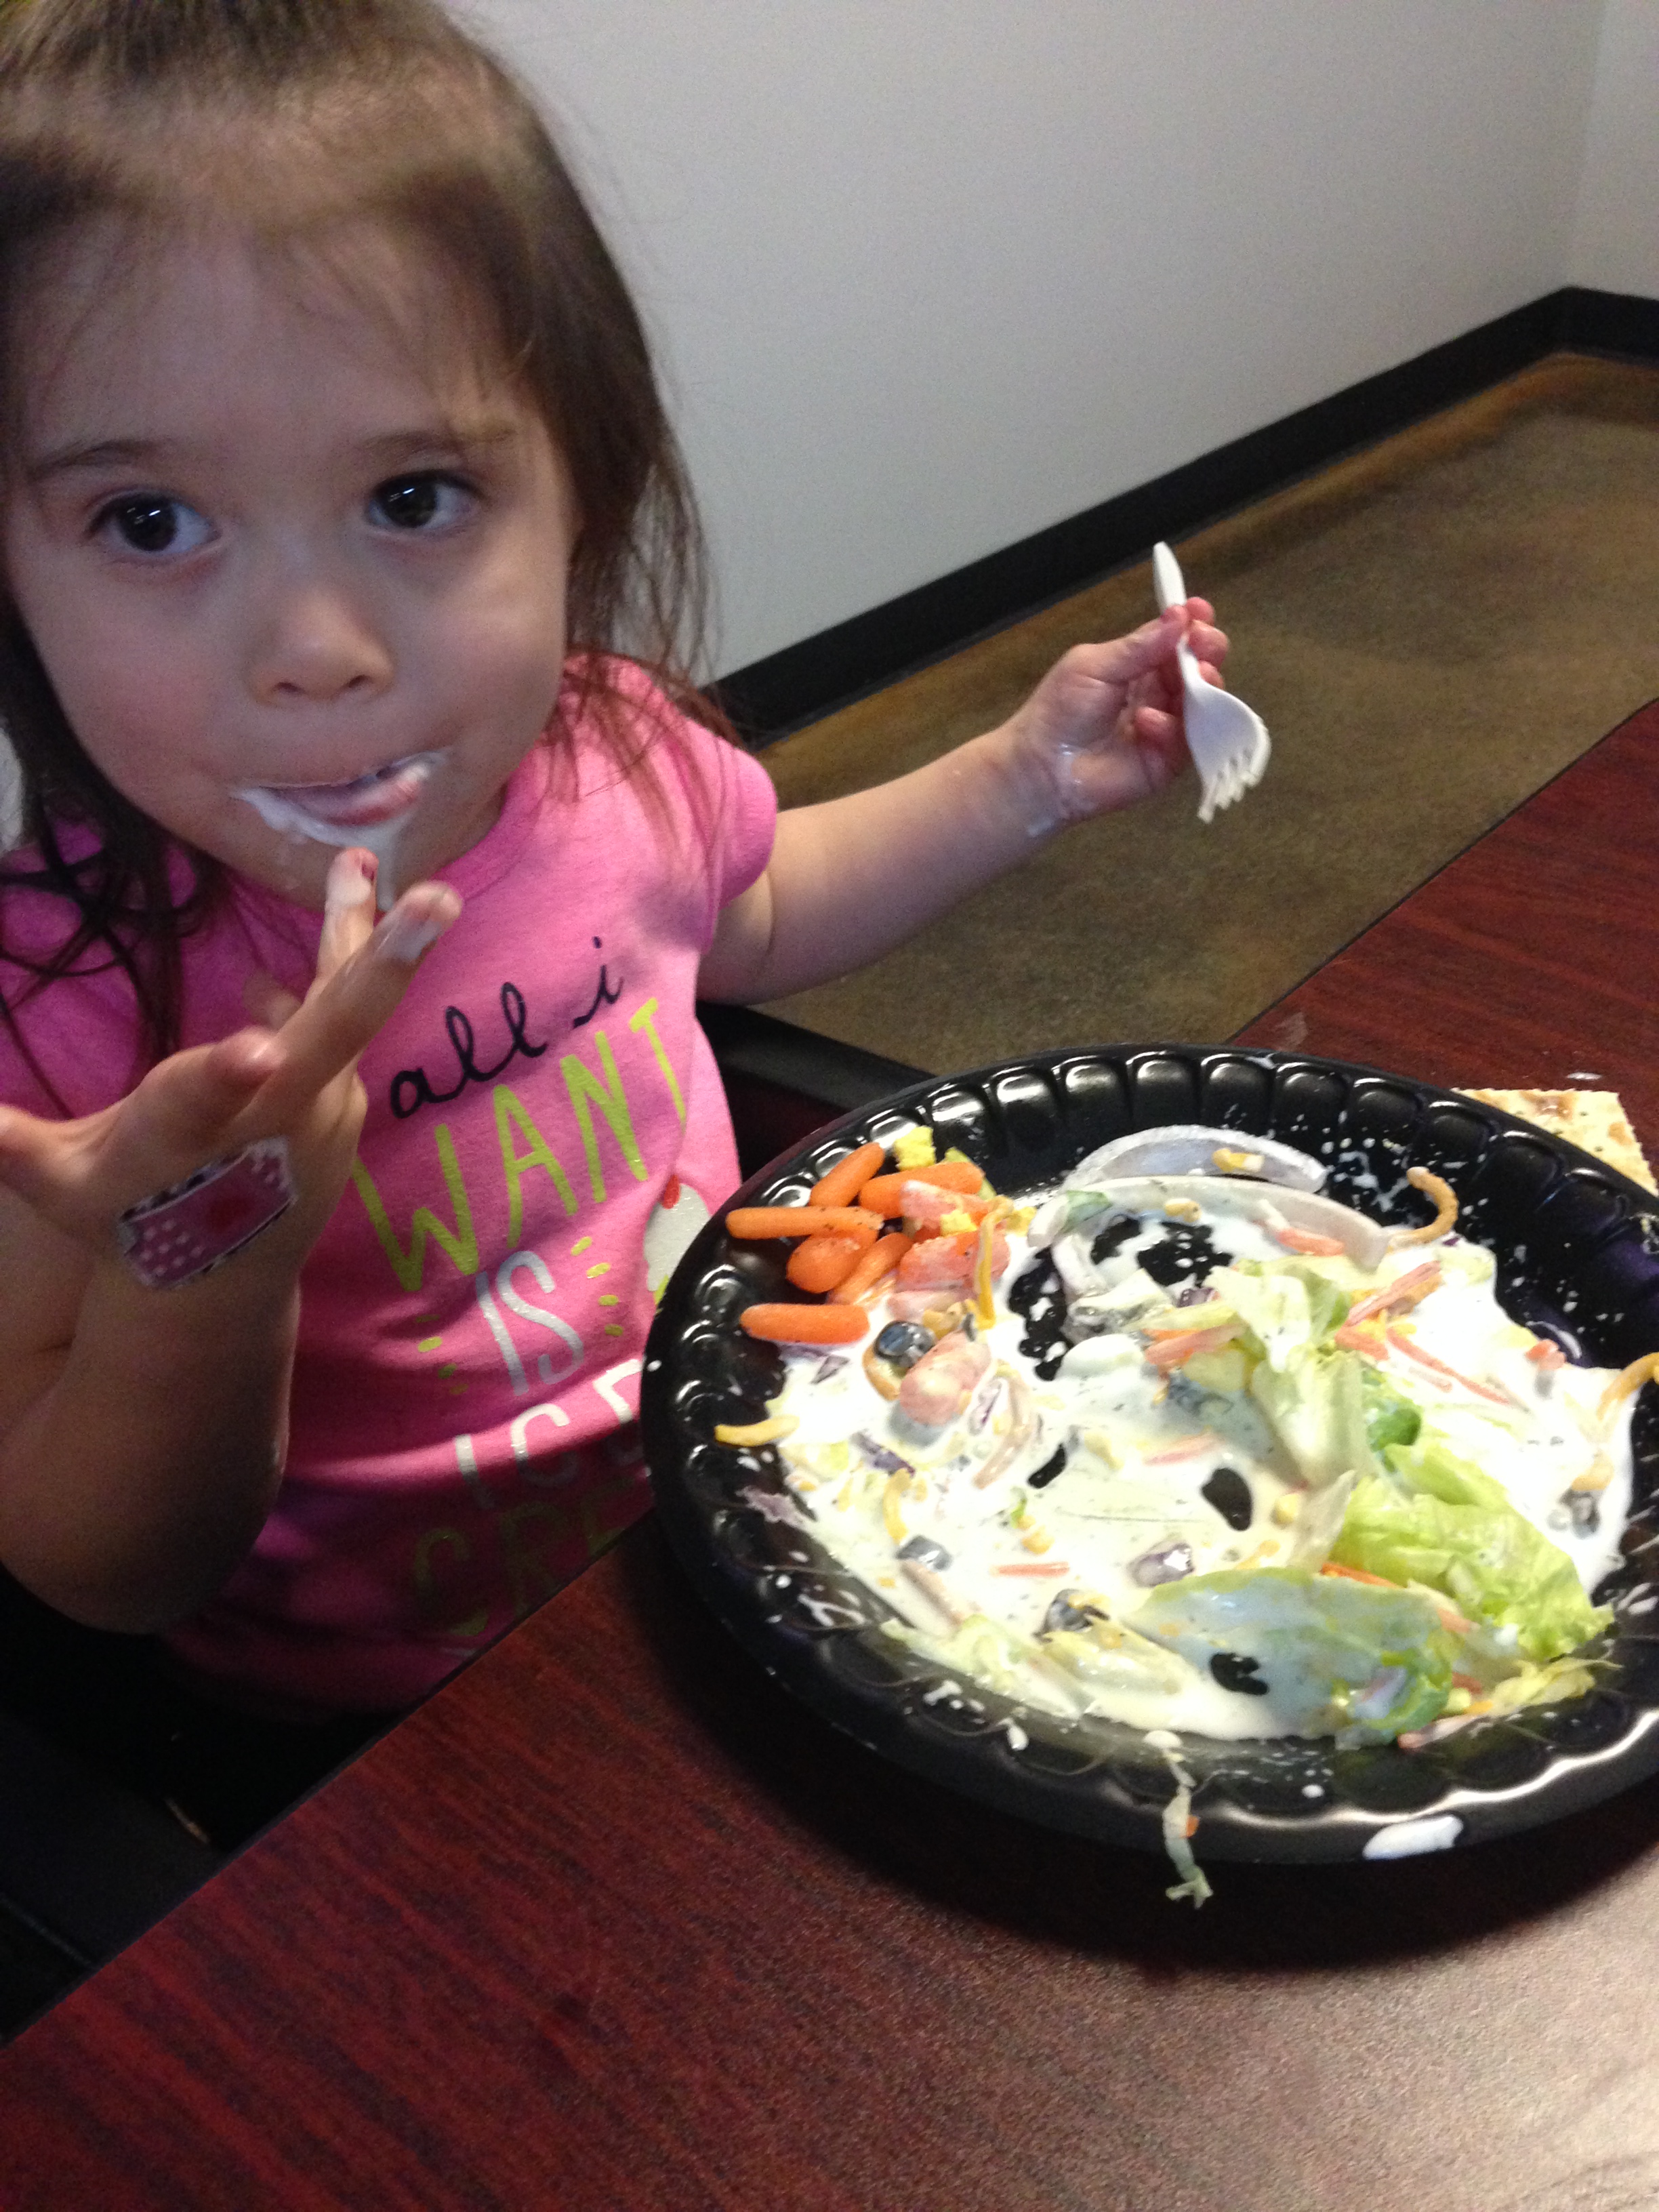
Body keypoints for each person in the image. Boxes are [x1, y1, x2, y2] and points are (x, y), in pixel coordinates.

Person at [0, 0, 1230, 1841]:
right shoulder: (60, 1016)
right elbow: (100, 1569)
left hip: (739, 1519)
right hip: (375, 1734)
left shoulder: (609, 758)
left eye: (412, 497)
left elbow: (754, 913)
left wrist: (1020, 777)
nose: (314, 652)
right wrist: (215, 1251)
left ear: (581, 493)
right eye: (152, 523)